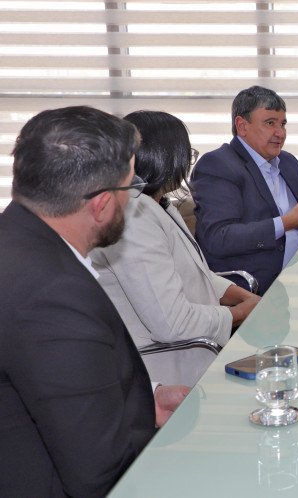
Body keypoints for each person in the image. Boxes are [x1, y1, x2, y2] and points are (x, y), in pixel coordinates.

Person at [0, 106, 189, 497]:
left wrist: (148, 399)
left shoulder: (16, 241)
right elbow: (100, 471)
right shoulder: (53, 295)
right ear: (102, 204)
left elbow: (49, 387)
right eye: (131, 188)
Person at [90, 111, 261, 387]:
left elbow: (191, 272)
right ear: (165, 157)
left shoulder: (158, 203)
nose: (187, 163)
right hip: (169, 372)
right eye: (185, 154)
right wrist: (241, 313)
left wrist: (243, 298)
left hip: (196, 345)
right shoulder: (132, 215)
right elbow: (173, 324)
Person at [191, 85, 298, 295]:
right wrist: (288, 223)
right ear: (242, 125)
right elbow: (219, 237)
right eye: (270, 123)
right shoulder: (218, 165)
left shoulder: (285, 162)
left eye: (283, 124)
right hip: (255, 287)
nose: (280, 133)